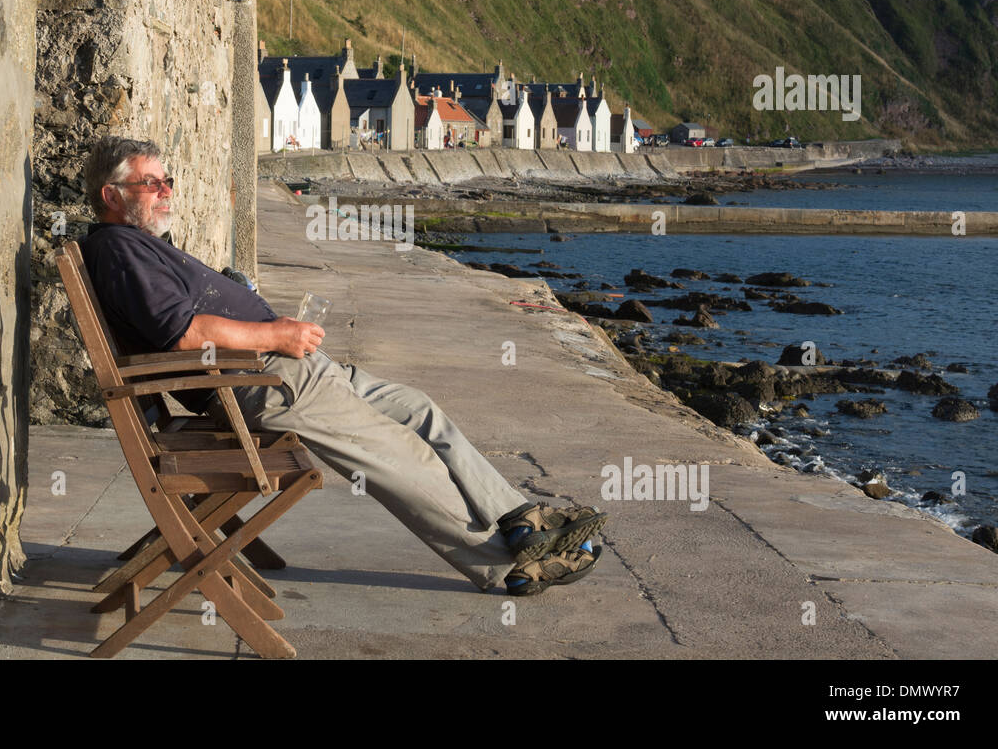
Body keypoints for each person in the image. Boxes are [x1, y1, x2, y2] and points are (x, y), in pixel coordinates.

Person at [76, 136, 608, 595]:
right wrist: (275, 334)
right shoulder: (121, 250)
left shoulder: (135, 245)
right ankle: (509, 568)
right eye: (152, 183)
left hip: (282, 369)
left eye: (167, 180)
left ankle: (519, 520)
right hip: (263, 381)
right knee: (399, 456)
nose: (166, 190)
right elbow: (184, 333)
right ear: (112, 195)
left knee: (418, 411)